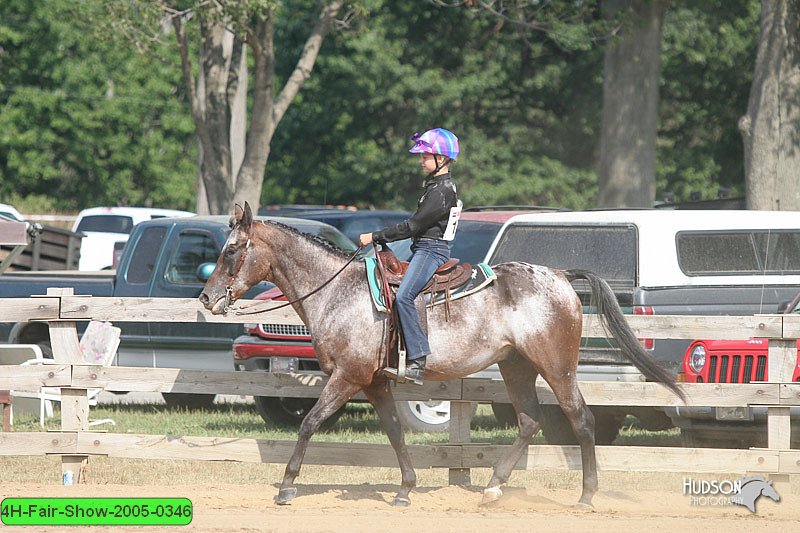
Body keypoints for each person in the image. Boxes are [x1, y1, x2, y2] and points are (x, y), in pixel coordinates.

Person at [359, 128, 461, 384]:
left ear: (442, 158)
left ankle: (417, 360)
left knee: (404, 296)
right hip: (422, 248)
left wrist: (376, 236)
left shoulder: (442, 191)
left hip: (431, 250)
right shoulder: (435, 187)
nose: (421, 160)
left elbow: (413, 226)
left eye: (425, 156)